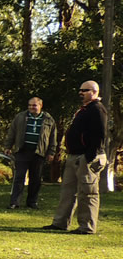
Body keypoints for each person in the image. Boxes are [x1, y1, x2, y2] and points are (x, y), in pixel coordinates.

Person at [44, 80, 108, 235]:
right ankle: (60, 223)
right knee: (68, 191)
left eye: (85, 90)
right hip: (74, 156)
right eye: (80, 90)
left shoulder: (97, 109)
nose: (81, 93)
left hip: (87, 157)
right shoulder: (84, 110)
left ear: (94, 92)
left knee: (87, 192)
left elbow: (100, 134)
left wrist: (89, 156)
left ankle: (87, 227)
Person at [4, 97, 58, 209]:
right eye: (29, 105)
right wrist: (8, 146)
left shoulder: (48, 120)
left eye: (34, 105)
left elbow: (53, 138)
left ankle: (32, 202)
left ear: (40, 106)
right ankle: (15, 202)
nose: (31, 107)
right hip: (22, 151)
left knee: (36, 178)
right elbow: (12, 132)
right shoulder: (20, 117)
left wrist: (51, 152)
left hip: (39, 153)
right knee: (19, 177)